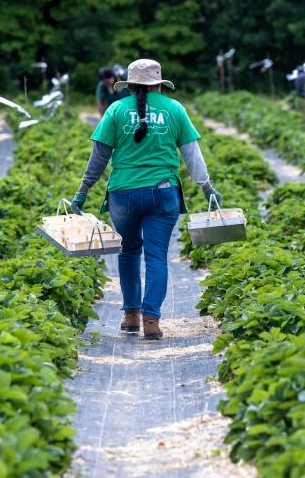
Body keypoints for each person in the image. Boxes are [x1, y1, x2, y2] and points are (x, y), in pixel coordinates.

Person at [71, 58, 222, 341]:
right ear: (158, 85)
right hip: (162, 193)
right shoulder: (174, 109)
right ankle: (151, 321)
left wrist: (82, 191)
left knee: (128, 253)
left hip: (123, 194)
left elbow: (99, 157)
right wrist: (207, 188)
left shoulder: (116, 109)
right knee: (156, 257)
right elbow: (192, 155)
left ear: (130, 85)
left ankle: (130, 316)